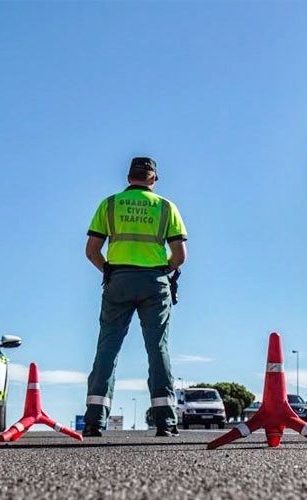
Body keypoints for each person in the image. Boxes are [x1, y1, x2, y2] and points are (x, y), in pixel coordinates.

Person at [82, 157, 187, 437]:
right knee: (157, 349)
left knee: (107, 348)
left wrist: (110, 272)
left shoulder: (110, 204)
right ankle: (166, 421)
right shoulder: (166, 207)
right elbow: (180, 255)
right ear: (154, 178)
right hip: (154, 282)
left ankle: (94, 420)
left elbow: (91, 250)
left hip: (118, 280)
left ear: (129, 178)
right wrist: (164, 271)